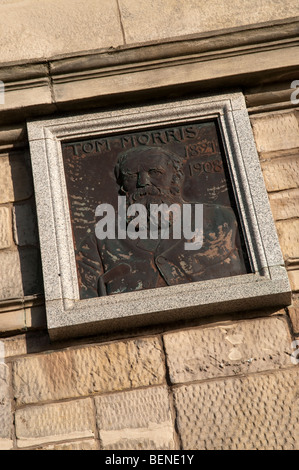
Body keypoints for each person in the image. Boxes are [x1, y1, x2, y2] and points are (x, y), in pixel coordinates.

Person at [76, 146, 248, 298]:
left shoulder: (224, 220)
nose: (143, 183)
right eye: (131, 176)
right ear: (122, 186)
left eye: (155, 172)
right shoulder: (99, 241)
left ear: (176, 178)